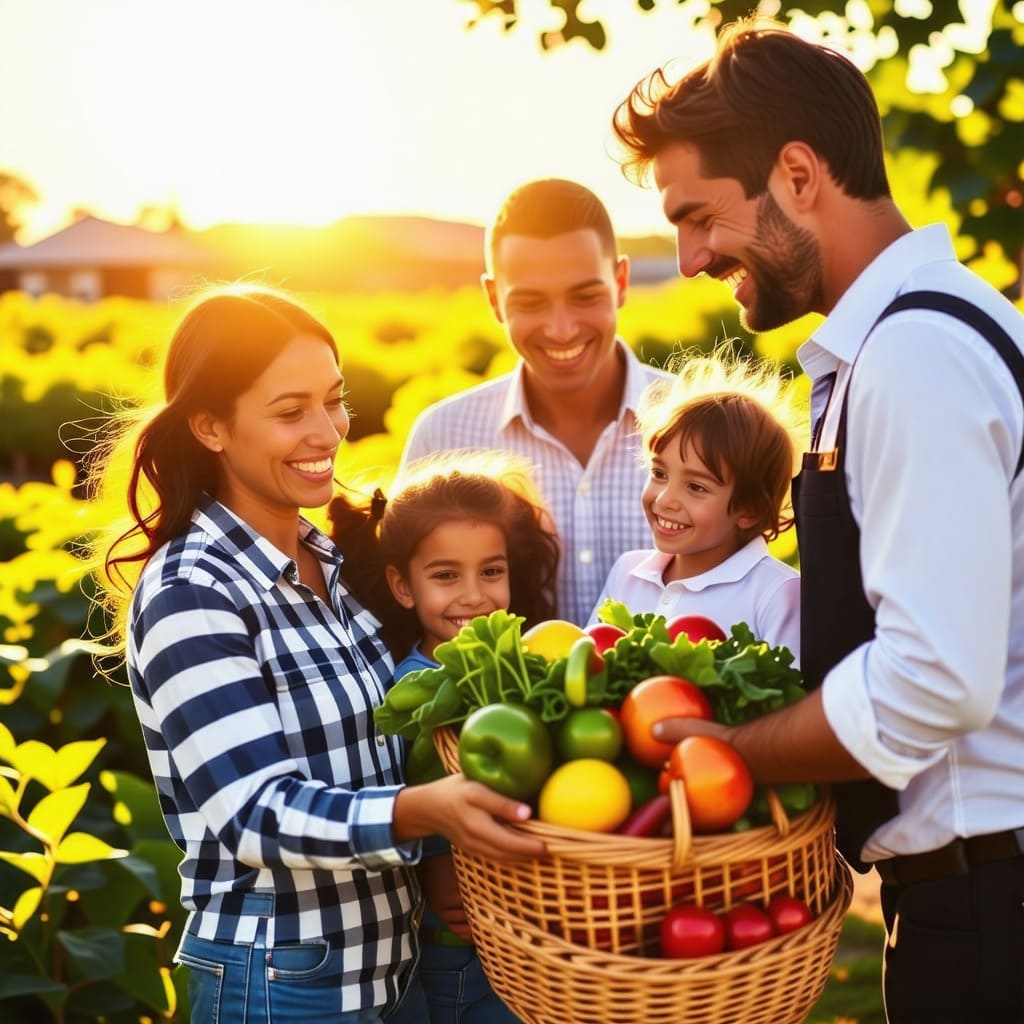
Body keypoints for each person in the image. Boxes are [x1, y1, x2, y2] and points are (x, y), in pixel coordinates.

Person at [612, 18, 1024, 1022]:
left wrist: (726, 747)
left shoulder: (912, 358)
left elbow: (930, 682)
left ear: (797, 174)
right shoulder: (920, 334)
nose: (690, 254)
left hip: (989, 907)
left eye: (699, 214)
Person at [88, 285, 545, 1024]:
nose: (328, 431)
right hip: (281, 981)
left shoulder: (331, 564)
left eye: (334, 400)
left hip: (388, 975)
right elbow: (251, 812)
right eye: (289, 411)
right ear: (210, 426)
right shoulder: (192, 589)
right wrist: (423, 812)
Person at [332, 450, 559, 1024]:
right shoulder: (419, 688)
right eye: (444, 575)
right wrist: (435, 863)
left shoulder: (523, 664)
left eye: (491, 571)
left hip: (531, 932)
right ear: (402, 587)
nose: (474, 595)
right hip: (462, 944)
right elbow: (416, 782)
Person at [400, 177, 672, 626]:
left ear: (621, 282)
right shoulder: (441, 438)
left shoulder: (698, 418)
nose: (561, 329)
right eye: (531, 302)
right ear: (494, 299)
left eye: (585, 296)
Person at [588, 351, 803, 660]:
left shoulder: (777, 594)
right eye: (659, 473)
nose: (664, 500)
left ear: (749, 510)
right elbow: (584, 664)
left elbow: (790, 699)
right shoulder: (627, 573)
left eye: (696, 487)